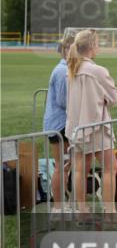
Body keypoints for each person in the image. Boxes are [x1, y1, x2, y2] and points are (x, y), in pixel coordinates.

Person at [65, 29, 117, 216]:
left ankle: (82, 209)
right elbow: (113, 98)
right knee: (110, 168)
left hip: (77, 127)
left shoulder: (72, 68)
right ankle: (109, 211)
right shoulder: (97, 70)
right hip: (96, 126)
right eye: (98, 44)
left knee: (80, 169)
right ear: (92, 46)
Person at [43, 33, 76, 211]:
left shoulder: (63, 69)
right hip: (59, 125)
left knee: (65, 166)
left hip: (59, 123)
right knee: (61, 167)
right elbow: (63, 101)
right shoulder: (63, 71)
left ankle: (62, 204)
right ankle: (58, 206)